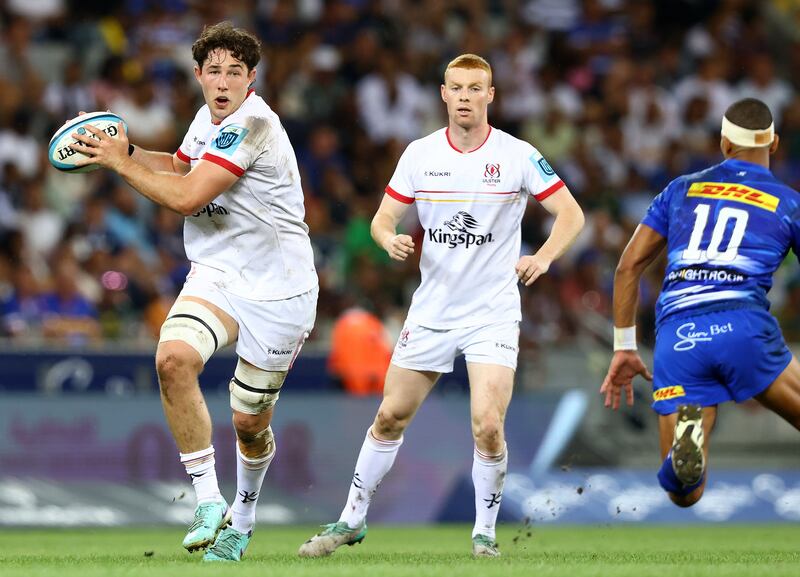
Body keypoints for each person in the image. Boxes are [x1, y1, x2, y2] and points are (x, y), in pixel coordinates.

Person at [299, 54, 584, 558]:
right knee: (389, 417)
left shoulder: (517, 155)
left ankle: (484, 534)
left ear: (491, 95)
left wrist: (541, 256)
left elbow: (571, 214)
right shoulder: (419, 154)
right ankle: (350, 520)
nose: (467, 97)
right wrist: (388, 240)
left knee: (487, 423)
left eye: (477, 88)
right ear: (444, 94)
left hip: (492, 311)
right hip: (432, 311)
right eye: (458, 88)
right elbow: (382, 219)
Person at [69, 22, 318, 562]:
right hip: (219, 275)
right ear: (199, 75)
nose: (223, 81)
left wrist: (118, 164)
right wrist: (126, 147)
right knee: (173, 360)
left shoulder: (253, 125)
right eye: (214, 71)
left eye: (235, 72)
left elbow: (186, 197)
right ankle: (208, 500)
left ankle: (243, 517)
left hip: (280, 291)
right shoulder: (208, 118)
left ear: (251, 78)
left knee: (250, 424)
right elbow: (183, 166)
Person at [600, 97, 800, 508]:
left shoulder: (680, 190)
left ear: (725, 143)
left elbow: (627, 268)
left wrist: (624, 346)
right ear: (774, 143)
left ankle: (688, 441)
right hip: (743, 327)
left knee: (686, 493)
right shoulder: (789, 203)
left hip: (679, 334)